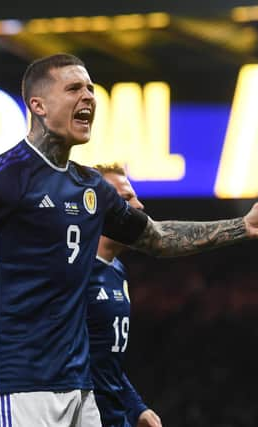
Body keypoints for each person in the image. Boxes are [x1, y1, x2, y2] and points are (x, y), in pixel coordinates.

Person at [0, 53, 258, 426]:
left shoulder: (90, 186)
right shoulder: (3, 175)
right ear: (38, 105)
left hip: (80, 387)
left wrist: (242, 226)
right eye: (74, 88)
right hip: (20, 383)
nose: (89, 96)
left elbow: (156, 237)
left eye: (90, 88)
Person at [88, 164, 161, 427]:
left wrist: (136, 407)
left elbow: (106, 364)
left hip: (115, 417)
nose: (139, 206)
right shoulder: (72, 275)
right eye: (127, 198)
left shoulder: (117, 270)